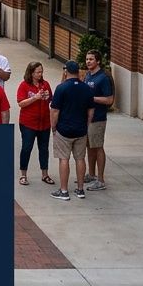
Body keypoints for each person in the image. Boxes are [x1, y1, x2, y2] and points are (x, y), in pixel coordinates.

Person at [49, 60, 94, 202]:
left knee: (64, 159)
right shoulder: (86, 88)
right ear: (78, 72)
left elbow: (55, 110)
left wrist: (53, 127)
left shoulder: (61, 88)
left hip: (64, 130)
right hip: (81, 130)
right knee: (80, 159)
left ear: (66, 71)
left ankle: (63, 191)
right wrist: (86, 124)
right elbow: (91, 110)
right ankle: (80, 190)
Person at [16, 62, 54, 186]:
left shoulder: (45, 84)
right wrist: (35, 98)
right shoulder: (24, 86)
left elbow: (51, 99)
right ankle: (23, 174)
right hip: (28, 123)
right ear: (31, 73)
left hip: (44, 123)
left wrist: (47, 97)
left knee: (44, 149)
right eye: (38, 72)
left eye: (41, 71)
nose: (40, 74)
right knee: (27, 148)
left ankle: (45, 174)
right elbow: (21, 103)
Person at [83, 50, 115, 191]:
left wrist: (92, 98)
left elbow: (109, 100)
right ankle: (91, 174)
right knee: (90, 147)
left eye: (91, 59)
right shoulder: (88, 75)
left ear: (98, 61)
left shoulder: (103, 78)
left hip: (98, 119)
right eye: (87, 59)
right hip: (87, 119)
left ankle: (101, 180)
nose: (88, 61)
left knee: (98, 147)